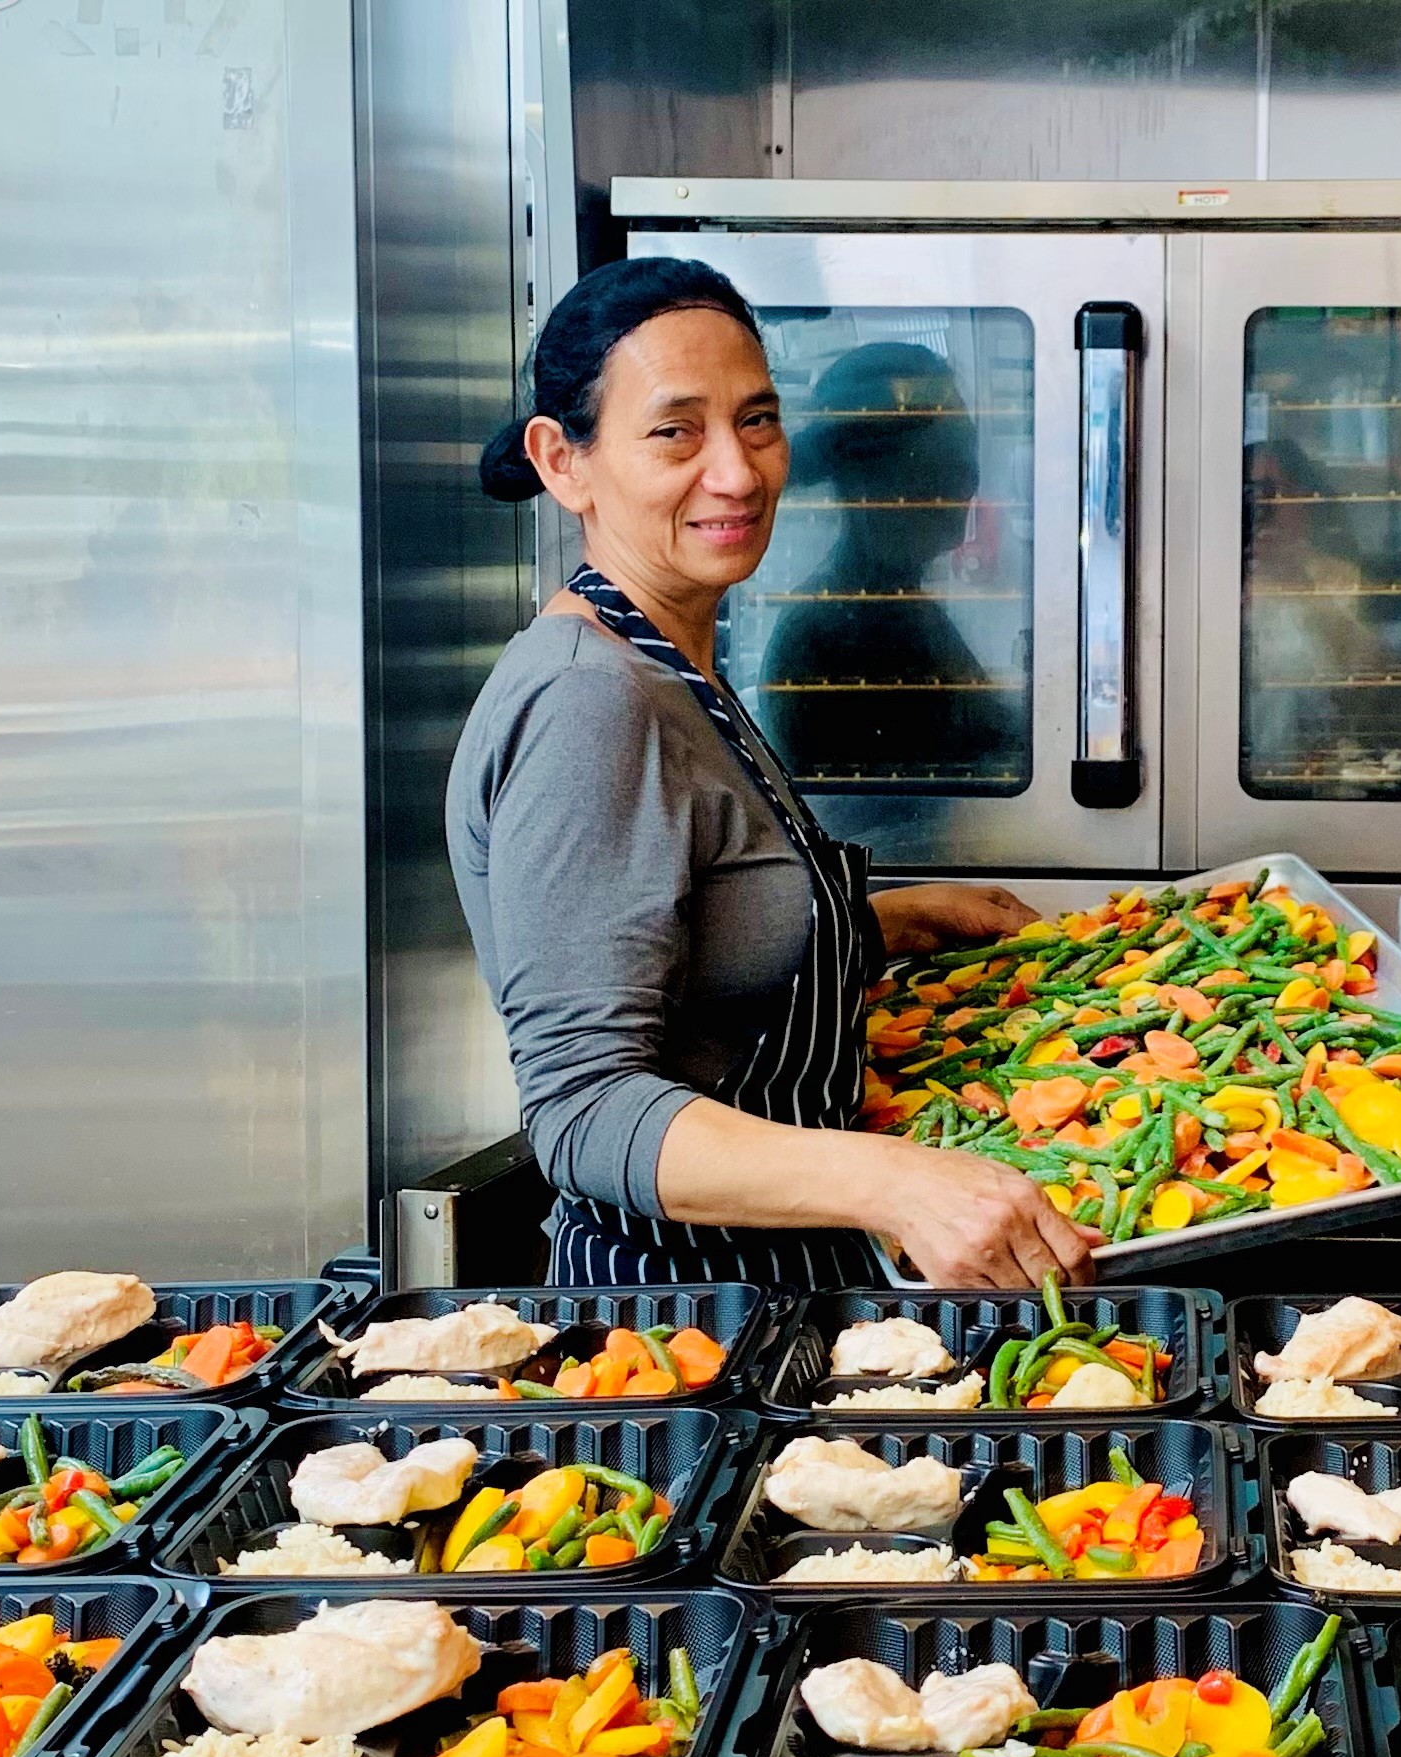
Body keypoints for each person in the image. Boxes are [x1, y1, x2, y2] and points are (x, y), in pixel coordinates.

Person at [447, 257, 1097, 1289]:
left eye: (755, 420)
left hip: (777, 1294)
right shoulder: (589, 699)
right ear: (562, 462)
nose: (737, 472)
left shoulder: (667, 660)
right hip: (679, 1332)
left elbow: (691, 960)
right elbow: (581, 1105)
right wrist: (897, 1182)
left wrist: (889, 921)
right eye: (675, 430)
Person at [759, 342, 1024, 788]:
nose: (969, 477)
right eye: (949, 453)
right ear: (874, 477)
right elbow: (909, 823)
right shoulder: (826, 639)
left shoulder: (896, 605)